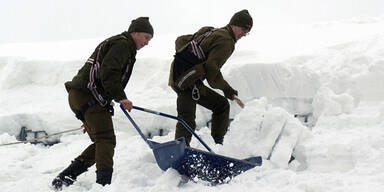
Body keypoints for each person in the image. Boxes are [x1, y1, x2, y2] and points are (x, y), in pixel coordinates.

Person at [52, 17, 153, 190]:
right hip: (87, 97)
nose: (147, 43)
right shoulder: (123, 45)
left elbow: (98, 73)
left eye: (149, 40)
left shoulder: (118, 44)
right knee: (106, 140)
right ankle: (103, 185)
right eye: (145, 37)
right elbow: (109, 72)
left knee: (100, 142)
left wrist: (90, 116)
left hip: (80, 96)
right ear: (134, 33)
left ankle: (64, 178)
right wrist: (121, 97)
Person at [169, 10, 252, 146]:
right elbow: (211, 69)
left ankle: (180, 148)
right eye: (244, 29)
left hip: (178, 76)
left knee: (186, 115)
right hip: (189, 81)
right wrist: (227, 90)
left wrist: (190, 61)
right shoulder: (227, 41)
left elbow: (181, 40)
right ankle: (216, 145)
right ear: (234, 24)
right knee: (220, 106)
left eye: (247, 31)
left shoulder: (209, 31)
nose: (244, 34)